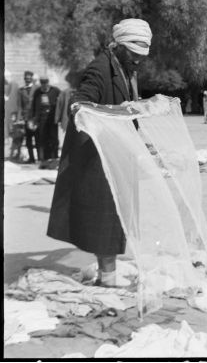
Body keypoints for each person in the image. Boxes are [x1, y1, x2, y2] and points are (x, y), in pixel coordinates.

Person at [47, 18, 152, 287]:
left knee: (115, 215)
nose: (138, 60)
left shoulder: (125, 67)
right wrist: (121, 113)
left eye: (142, 55)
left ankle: (109, 276)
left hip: (116, 152)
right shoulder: (101, 68)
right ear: (118, 46)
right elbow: (80, 104)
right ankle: (108, 278)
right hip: (97, 154)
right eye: (134, 54)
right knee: (105, 213)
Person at [31, 77, 61, 164]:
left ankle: (55, 157)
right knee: (44, 138)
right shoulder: (37, 92)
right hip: (42, 119)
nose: (44, 85)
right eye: (42, 83)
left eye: (45, 83)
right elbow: (34, 105)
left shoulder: (55, 90)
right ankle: (46, 159)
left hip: (52, 119)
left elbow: (61, 103)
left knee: (54, 138)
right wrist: (34, 118)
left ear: (48, 83)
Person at [16, 70, 39, 163]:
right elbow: (19, 106)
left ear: (32, 79)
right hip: (26, 118)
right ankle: (31, 159)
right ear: (24, 79)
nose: (27, 80)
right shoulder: (21, 90)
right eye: (26, 78)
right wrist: (19, 117)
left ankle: (40, 158)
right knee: (28, 139)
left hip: (36, 117)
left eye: (29, 78)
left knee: (38, 138)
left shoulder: (37, 89)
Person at [55, 70, 82, 141]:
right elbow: (59, 107)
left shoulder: (81, 92)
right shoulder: (64, 93)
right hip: (67, 121)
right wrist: (57, 119)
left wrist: (57, 119)